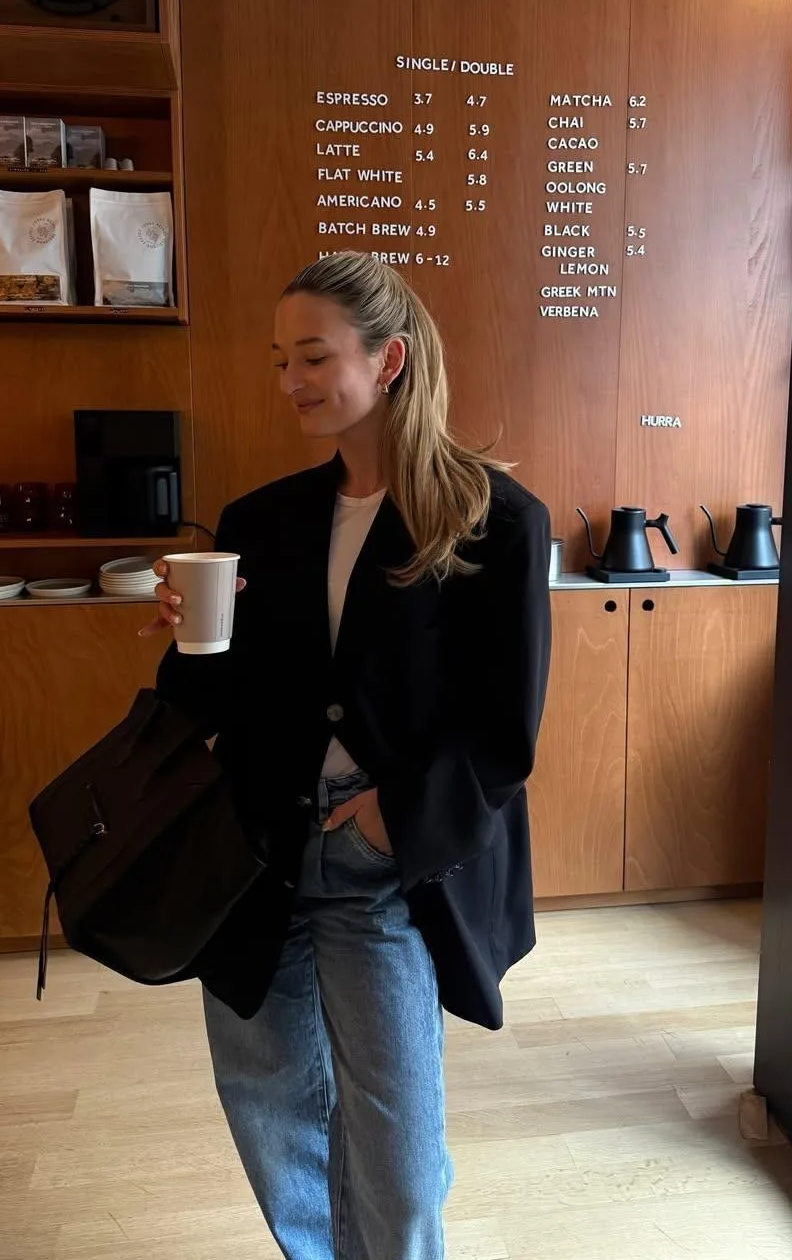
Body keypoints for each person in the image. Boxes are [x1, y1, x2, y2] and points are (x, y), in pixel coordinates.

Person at [142, 251, 552, 1260]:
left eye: (314, 357)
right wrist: (186, 635)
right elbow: (208, 706)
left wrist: (386, 821)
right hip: (257, 859)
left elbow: (503, 731)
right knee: (274, 1114)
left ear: (389, 359)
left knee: (399, 1157)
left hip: (381, 864)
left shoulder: (493, 520)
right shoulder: (261, 521)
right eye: (280, 360)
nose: (291, 381)